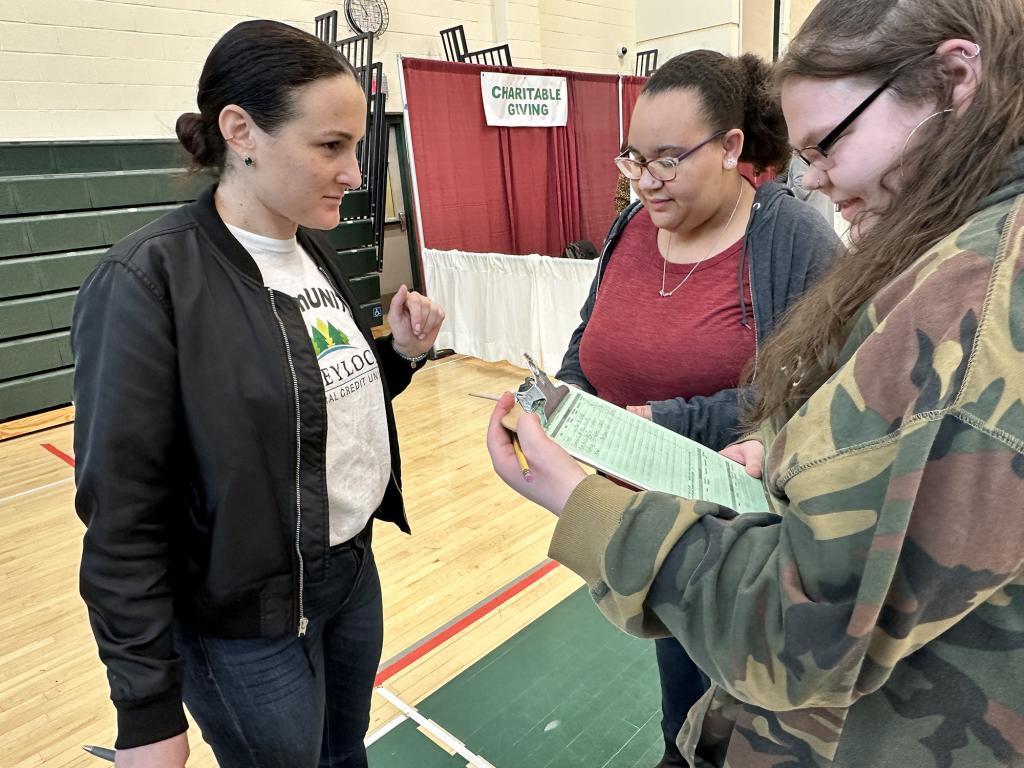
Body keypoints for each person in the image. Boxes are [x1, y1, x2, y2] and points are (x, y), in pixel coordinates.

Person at [489, 0, 1024, 765]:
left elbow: (799, 626)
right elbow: (850, 423)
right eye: (633, 160)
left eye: (829, 144)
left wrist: (583, 503)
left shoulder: (970, 300)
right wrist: (772, 449)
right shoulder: (951, 256)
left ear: (955, 78)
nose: (815, 177)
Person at [72, 20, 444, 768]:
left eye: (357, 147)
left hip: (347, 579)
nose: (354, 173)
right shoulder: (148, 282)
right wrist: (146, 711)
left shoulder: (311, 249)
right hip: (245, 624)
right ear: (240, 130)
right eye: (330, 146)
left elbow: (310, 404)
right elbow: (123, 513)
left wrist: (397, 358)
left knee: (344, 755)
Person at [555, 50, 840, 768]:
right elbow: (588, 343)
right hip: (650, 531)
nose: (645, 181)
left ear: (732, 148)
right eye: (632, 159)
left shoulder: (792, 240)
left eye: (668, 160)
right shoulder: (630, 229)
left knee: (740, 723)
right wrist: (556, 406)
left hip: (745, 551)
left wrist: (666, 423)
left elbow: (815, 392)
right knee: (680, 706)